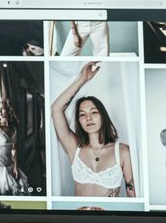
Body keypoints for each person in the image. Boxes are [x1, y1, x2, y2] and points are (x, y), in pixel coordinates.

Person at [51, 62, 135, 198]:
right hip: (79, 216)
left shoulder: (122, 151)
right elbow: (56, 110)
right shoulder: (74, 148)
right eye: (82, 114)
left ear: (103, 116)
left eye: (94, 112)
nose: (88, 118)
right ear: (79, 121)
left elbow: (132, 193)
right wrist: (83, 79)